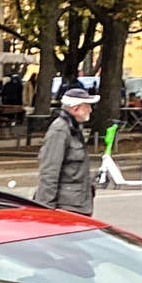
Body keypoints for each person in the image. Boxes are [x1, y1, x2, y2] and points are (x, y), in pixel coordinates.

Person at [34, 84, 98, 214]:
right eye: (88, 106)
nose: (90, 110)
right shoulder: (60, 130)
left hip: (76, 203)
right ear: (76, 109)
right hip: (67, 206)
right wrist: (45, 208)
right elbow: (50, 170)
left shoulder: (73, 128)